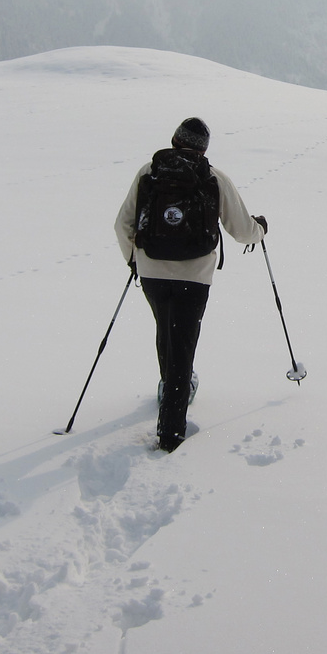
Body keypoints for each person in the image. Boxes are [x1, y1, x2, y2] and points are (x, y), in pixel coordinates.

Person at [115, 118, 267, 452]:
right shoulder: (214, 177)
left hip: (152, 270)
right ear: (203, 148)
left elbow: (122, 224)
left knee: (166, 330)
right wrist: (261, 230)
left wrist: (135, 259)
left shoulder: (148, 173)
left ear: (173, 140)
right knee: (182, 343)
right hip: (194, 276)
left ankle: (168, 386)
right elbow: (241, 230)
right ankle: (171, 433)